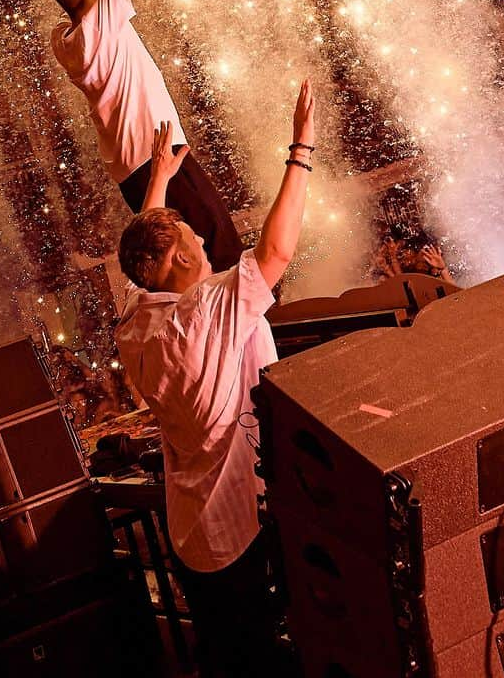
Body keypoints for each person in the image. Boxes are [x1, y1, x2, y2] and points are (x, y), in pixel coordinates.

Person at [115, 80, 316, 677]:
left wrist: (159, 179)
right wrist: (301, 149)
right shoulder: (205, 313)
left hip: (193, 537)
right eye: (191, 239)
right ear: (179, 260)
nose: (203, 239)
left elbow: (141, 257)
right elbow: (277, 252)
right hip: (241, 531)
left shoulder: (137, 321)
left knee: (225, 661)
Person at [47, 0, 242, 268]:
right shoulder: (104, 21)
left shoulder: (65, 40)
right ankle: (249, 320)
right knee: (219, 244)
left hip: (128, 169)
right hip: (158, 153)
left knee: (177, 257)